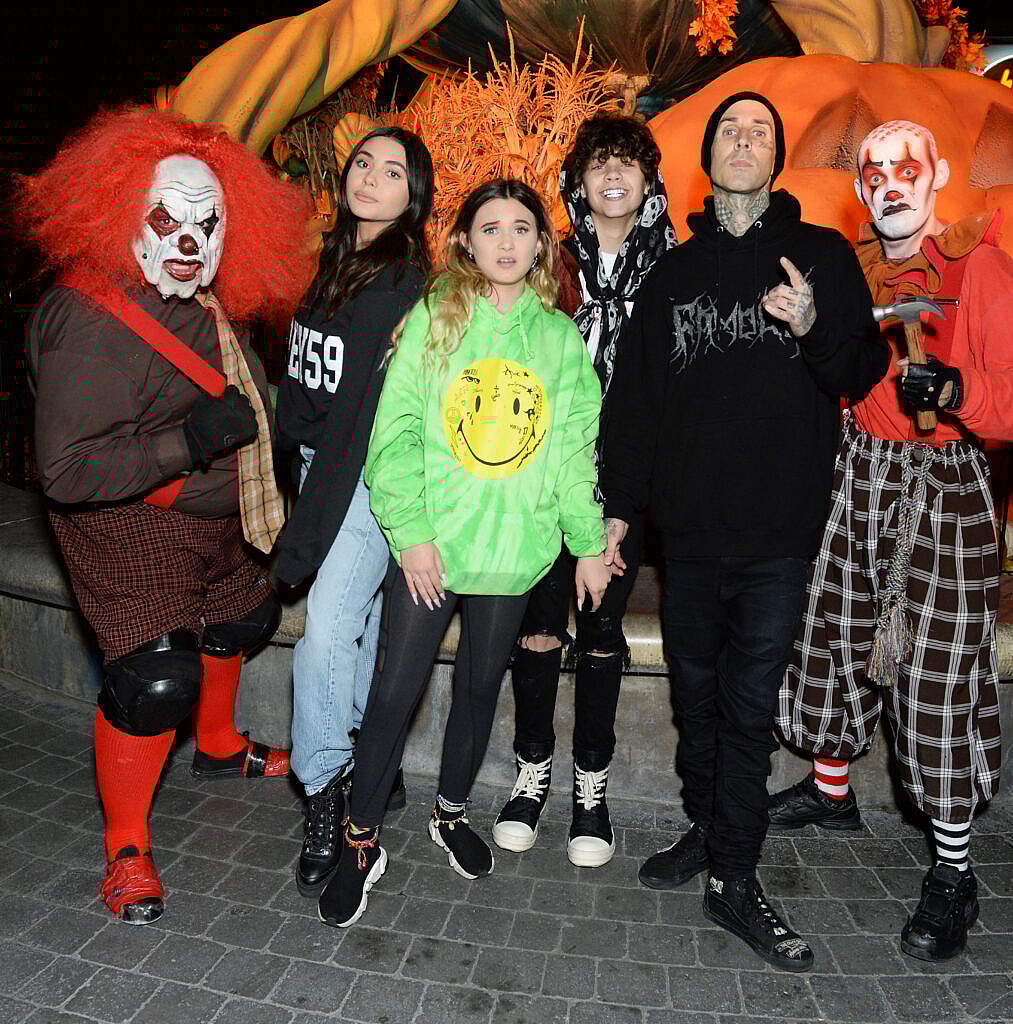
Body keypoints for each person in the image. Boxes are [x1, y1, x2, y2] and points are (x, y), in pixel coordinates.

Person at [599, 93, 888, 971]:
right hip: (686, 539)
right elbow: (636, 408)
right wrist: (618, 513)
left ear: (776, 158)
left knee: (748, 708)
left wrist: (808, 328)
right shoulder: (673, 275)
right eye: (730, 129)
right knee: (695, 703)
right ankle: (706, 825)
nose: (742, 140)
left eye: (759, 130)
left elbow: (861, 369)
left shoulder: (822, 257)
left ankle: (734, 876)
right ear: (711, 157)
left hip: (774, 538)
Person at [18, 106, 316, 924]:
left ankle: (217, 748)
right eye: (165, 218)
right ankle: (125, 845)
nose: (188, 240)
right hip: (125, 519)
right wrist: (187, 443)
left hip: (210, 513)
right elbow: (68, 472)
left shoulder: (212, 303)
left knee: (245, 614)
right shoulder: (92, 322)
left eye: (208, 222)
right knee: (155, 680)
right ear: (120, 216)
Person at [316, 178, 613, 929]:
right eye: (490, 227)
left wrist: (583, 544)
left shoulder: (557, 338)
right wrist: (410, 533)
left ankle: (450, 813)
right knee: (392, 693)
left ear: (542, 245)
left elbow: (575, 452)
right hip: (434, 546)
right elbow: (396, 432)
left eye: (521, 227)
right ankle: (359, 838)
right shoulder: (436, 319)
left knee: (481, 689)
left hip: (514, 551)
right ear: (466, 242)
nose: (506, 241)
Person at [772, 119, 1013, 962]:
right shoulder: (852, 268)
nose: (887, 182)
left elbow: (1012, 395)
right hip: (859, 474)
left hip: (943, 485)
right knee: (834, 631)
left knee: (937, 674)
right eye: (872, 170)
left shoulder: (976, 265)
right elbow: (840, 366)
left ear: (936, 173)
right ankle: (832, 791)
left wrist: (957, 386)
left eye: (904, 167)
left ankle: (953, 874)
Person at [491, 114, 677, 868]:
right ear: (577, 182)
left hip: (623, 483)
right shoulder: (547, 261)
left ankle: (589, 788)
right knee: (537, 631)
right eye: (599, 162)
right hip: (540, 475)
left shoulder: (674, 266)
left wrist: (628, 502)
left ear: (647, 181)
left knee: (600, 634)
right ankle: (530, 771)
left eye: (627, 163)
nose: (612, 174)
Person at [274, 127, 434, 897]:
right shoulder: (334, 261)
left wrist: (313, 506)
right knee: (358, 632)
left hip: (367, 482)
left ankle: (328, 792)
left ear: (414, 195)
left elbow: (370, 417)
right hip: (321, 469)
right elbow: (306, 383)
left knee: (325, 638)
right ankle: (380, 766)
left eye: (392, 170)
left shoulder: (404, 282)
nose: (370, 178)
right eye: (362, 163)